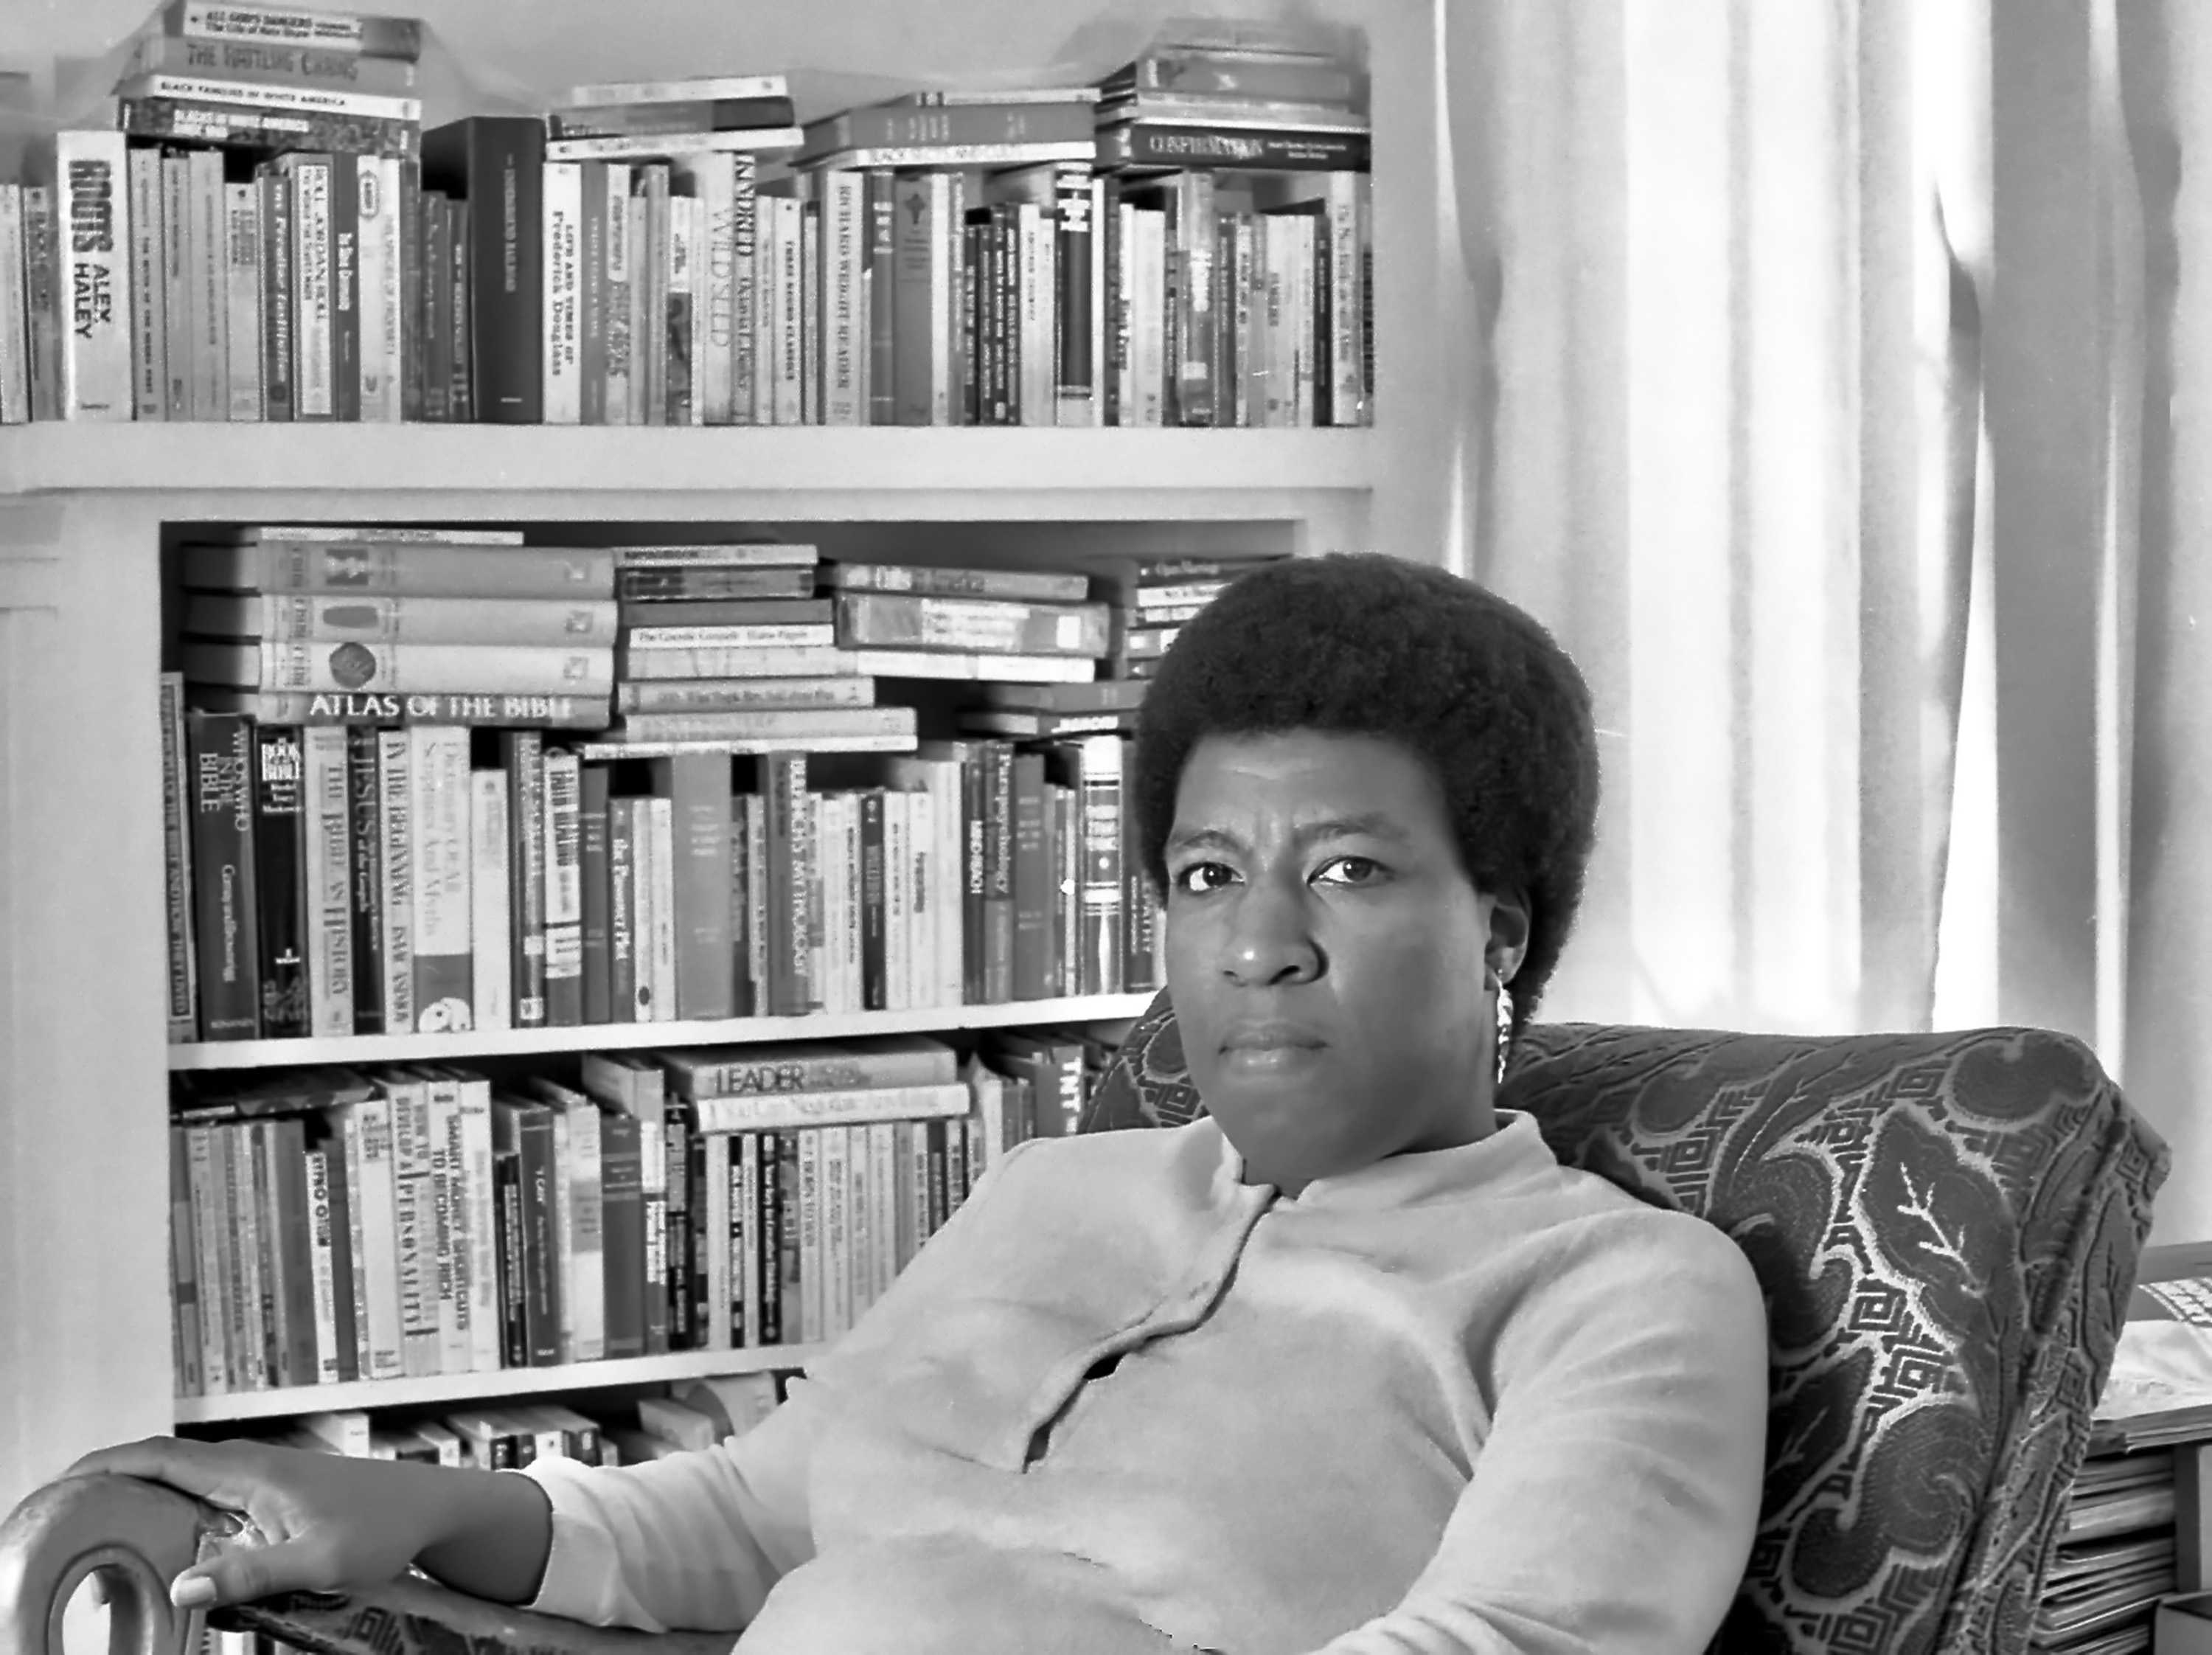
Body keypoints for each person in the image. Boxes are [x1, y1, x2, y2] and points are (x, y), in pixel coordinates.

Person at [71, 552, 1770, 1654]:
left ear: (1498, 929)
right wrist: (431, 1506)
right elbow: (748, 1513)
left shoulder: (1610, 1293)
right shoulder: (1056, 1196)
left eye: (1346, 871)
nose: (1258, 944)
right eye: (1203, 872)